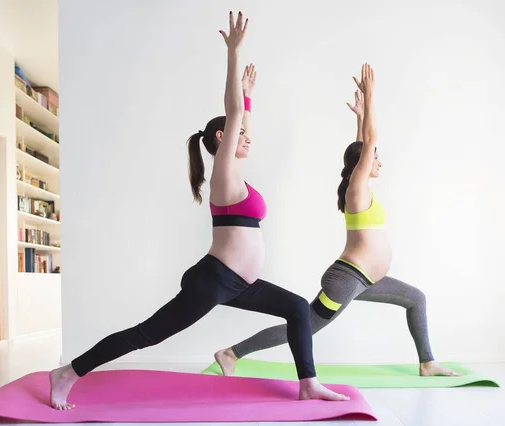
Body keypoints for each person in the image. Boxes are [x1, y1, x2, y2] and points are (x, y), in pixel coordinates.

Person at [48, 11, 349, 411]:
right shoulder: (223, 174)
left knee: (297, 307)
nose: (248, 139)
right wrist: (234, 56)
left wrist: (249, 98)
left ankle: (308, 384)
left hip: (240, 282)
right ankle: (68, 373)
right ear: (222, 138)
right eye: (240, 133)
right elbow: (234, 115)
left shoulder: (237, 174)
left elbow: (242, 120)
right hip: (214, 280)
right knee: (147, 334)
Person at [214, 63, 461, 378]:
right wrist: (371, 99)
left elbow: (361, 146)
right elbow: (368, 144)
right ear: (364, 163)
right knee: (310, 325)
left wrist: (359, 118)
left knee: (416, 299)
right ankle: (232, 353)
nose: (379, 160)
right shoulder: (357, 190)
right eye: (376, 156)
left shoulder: (360, 187)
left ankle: (427, 363)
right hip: (347, 279)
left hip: (367, 279)